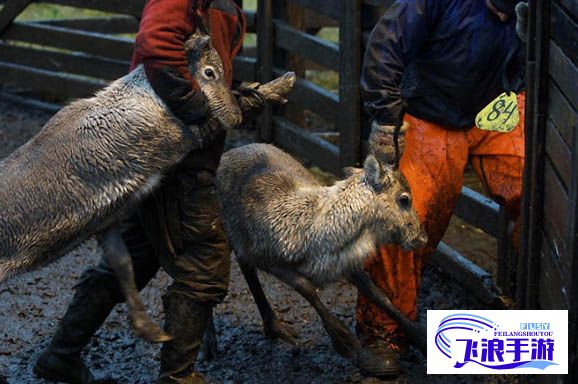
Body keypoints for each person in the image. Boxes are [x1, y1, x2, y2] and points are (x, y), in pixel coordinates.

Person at [33, 1, 253, 383]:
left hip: (160, 150)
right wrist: (196, 108)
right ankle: (178, 377)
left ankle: (61, 355)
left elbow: (199, 54)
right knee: (205, 265)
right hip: (176, 152)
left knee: (135, 255)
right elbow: (156, 42)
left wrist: (226, 97)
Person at [357, 0, 527, 377]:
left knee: (536, 194)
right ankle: (382, 334)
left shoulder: (530, 11)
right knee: (404, 217)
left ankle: (529, 321)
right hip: (429, 111)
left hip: (497, 104)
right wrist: (385, 117)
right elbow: (388, 42)